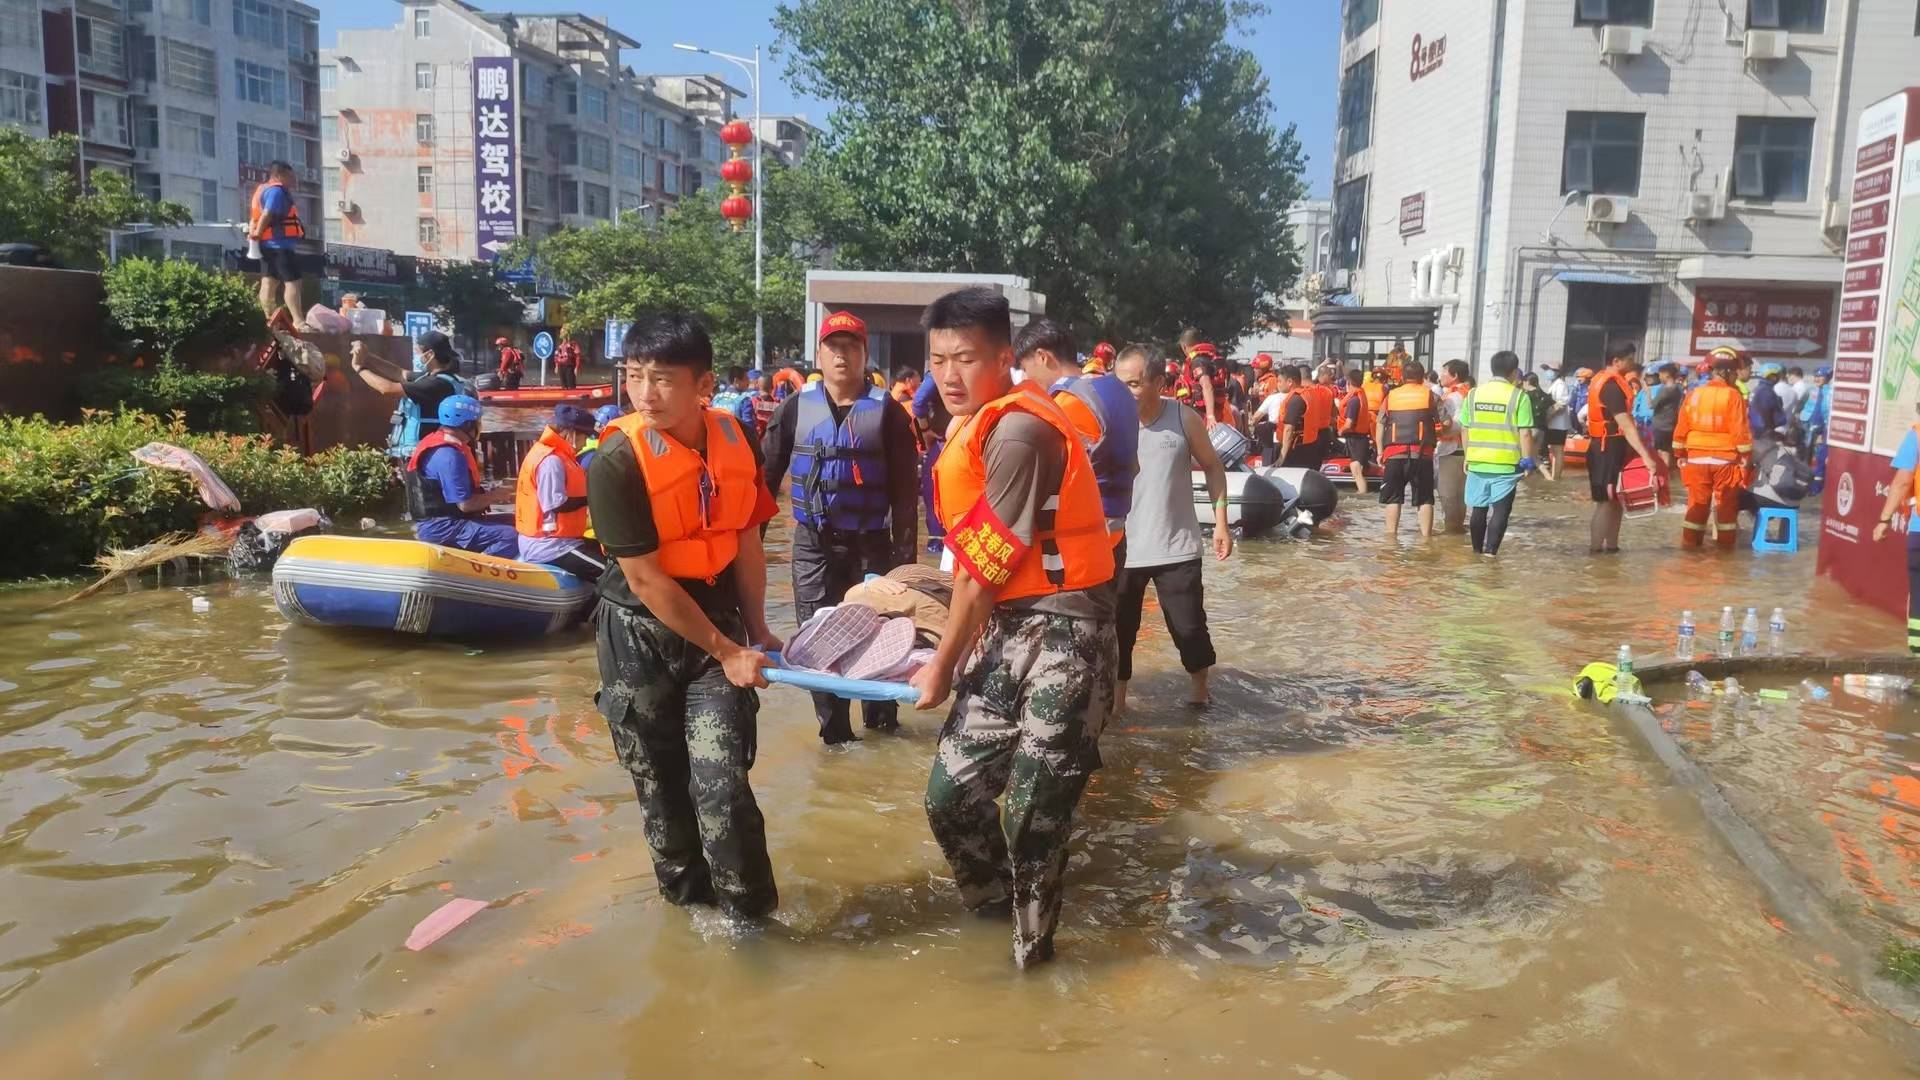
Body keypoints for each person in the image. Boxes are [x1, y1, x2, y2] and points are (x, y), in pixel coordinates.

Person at [909, 287, 1117, 970]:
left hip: (1069, 632)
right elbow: (977, 577)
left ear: (1004, 358)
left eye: (965, 358)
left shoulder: (1022, 431)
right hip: (1007, 627)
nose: (949, 375)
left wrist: (939, 667)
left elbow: (983, 570)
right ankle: (995, 909)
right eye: (938, 359)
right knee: (951, 795)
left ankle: (1034, 961)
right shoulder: (977, 426)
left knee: (1031, 813)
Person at [586, 313, 784, 921]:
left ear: (704, 386)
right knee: (662, 792)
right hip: (638, 638)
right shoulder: (614, 459)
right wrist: (729, 650)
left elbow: (747, 538)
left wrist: (757, 630)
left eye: (663, 379)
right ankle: (690, 914)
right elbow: (645, 579)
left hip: (715, 625)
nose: (645, 393)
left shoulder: (736, 437)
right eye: (634, 376)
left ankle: (753, 920)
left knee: (722, 786)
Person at [762, 311, 920, 745]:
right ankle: (835, 739)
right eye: (833, 346)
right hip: (812, 547)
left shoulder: (888, 413)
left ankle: (883, 730)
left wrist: (903, 570)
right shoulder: (795, 408)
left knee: (881, 643)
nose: (841, 355)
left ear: (865, 354)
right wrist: (748, 552)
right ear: (819, 353)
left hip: (872, 546)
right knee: (816, 644)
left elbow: (907, 497)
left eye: (851, 346)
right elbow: (763, 484)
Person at [1110, 344, 1232, 712]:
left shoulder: (1183, 418)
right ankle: (1118, 704)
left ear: (1159, 382)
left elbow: (1213, 466)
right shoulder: (1109, 420)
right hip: (1122, 546)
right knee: (1119, 632)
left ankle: (1199, 691)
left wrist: (1222, 523)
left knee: (1190, 628)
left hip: (1175, 547)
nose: (1125, 391)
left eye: (1134, 383)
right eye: (1120, 384)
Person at [1014, 317, 1139, 558]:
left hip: (1079, 544)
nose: (1027, 379)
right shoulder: (1119, 390)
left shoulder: (1066, 403)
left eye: (1026, 369)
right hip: (1116, 533)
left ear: (1042, 356)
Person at [404, 395, 519, 557]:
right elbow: (466, 505)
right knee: (511, 536)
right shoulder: (449, 455)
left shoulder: (439, 443)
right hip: (444, 528)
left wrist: (489, 493)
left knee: (517, 521)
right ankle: (478, 570)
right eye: (478, 422)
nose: (480, 426)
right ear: (467, 424)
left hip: (447, 522)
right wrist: (497, 496)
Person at [1458, 351, 1545, 556]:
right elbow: (1525, 433)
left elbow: (1465, 428)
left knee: (1478, 509)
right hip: (1506, 463)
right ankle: (1490, 554)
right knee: (1501, 510)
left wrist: (1467, 456)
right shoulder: (1518, 396)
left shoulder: (1473, 394)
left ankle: (1476, 552)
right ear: (1514, 372)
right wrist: (1527, 461)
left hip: (1477, 461)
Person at [512, 404, 608, 579]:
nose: (586, 442)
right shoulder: (552, 461)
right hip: (551, 547)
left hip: (563, 540)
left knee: (613, 555)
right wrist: (592, 498)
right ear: (570, 433)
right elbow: (555, 504)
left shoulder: (552, 453)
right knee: (610, 574)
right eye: (584, 436)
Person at [349, 331, 474, 461]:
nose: (416, 356)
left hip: (425, 455)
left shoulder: (437, 384)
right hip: (418, 452)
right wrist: (367, 357)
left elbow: (387, 388)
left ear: (430, 354)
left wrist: (359, 368)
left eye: (418, 352)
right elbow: (399, 373)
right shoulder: (431, 377)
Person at [1673, 350, 1752, 551]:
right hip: (1725, 459)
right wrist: (1745, 456)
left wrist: (1680, 454)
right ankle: (1725, 555)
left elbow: (1681, 426)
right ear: (1727, 372)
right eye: (1735, 372)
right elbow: (1740, 430)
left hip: (1696, 458)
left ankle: (1689, 550)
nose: (1736, 376)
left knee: (1696, 506)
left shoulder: (1694, 394)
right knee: (1726, 506)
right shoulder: (1733, 395)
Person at [1587, 342, 1661, 554]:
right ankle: (1595, 552)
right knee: (1605, 501)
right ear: (1616, 361)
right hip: (1605, 448)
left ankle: (1611, 548)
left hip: (1612, 446)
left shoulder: (1616, 382)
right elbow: (1626, 425)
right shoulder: (1610, 386)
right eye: (1629, 358)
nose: (1632, 362)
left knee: (1616, 501)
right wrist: (1646, 457)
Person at [1378, 361, 1442, 540]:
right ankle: (1426, 540)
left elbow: (1380, 424)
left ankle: (1391, 540)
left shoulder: (1391, 396)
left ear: (1402, 377)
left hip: (1394, 455)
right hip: (1422, 455)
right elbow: (1444, 422)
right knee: (1425, 499)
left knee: (1392, 499)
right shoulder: (1431, 396)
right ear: (1422, 377)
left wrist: (1380, 451)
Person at [249, 160, 306, 327]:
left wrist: (257, 235)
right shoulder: (276, 191)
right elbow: (267, 214)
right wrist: (258, 233)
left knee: (270, 281)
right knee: (293, 281)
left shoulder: (263, 190)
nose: (293, 180)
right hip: (279, 245)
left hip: (267, 246)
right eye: (290, 176)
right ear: (279, 175)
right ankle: (298, 321)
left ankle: (270, 320)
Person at [912, 350, 956, 555]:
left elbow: (918, 403)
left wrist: (925, 429)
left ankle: (936, 544)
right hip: (963, 441)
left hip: (942, 443)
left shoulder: (937, 373)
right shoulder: (974, 371)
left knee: (934, 495)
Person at [1434, 360, 1472, 535]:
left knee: (1448, 497)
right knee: (1460, 498)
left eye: (1444, 372)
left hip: (1451, 451)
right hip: (1465, 452)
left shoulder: (1451, 398)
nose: (1441, 376)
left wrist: (1439, 426)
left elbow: (1456, 424)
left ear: (1455, 376)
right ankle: (1458, 533)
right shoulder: (1469, 394)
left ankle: (1450, 536)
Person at [1338, 366, 1376, 494]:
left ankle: (1362, 495)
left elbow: (1349, 424)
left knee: (1356, 468)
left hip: (1357, 439)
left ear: (1348, 383)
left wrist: (1340, 431)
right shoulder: (1359, 397)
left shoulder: (1353, 400)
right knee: (1357, 467)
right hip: (1360, 438)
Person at [1748, 362, 1791, 457]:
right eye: (1777, 375)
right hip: (1764, 434)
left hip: (1756, 432)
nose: (1778, 378)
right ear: (1772, 376)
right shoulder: (1767, 391)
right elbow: (1774, 416)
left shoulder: (1758, 389)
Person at [1649, 364, 1685, 472]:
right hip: (1672, 423)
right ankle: (1666, 474)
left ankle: (1663, 474)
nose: (1659, 377)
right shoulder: (1679, 389)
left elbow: (1652, 405)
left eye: (1660, 375)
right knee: (1667, 451)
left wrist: (1647, 392)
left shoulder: (1665, 390)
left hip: (1661, 425)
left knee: (1661, 451)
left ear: (1666, 375)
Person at [1543, 362, 1574, 475]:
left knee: (1557, 450)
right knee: (1553, 450)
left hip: (1558, 424)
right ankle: (1554, 475)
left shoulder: (1560, 385)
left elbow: (1561, 404)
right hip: (1553, 423)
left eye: (1549, 369)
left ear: (1557, 372)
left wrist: (1548, 417)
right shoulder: (1554, 384)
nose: (1547, 372)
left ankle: (1556, 477)